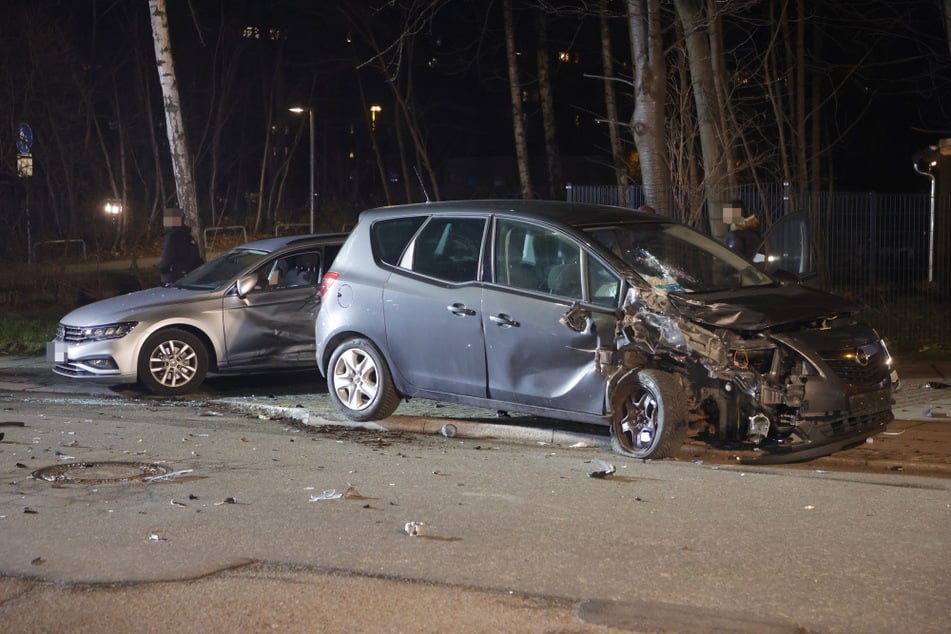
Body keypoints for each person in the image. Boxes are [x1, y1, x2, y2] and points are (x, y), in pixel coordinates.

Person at [159, 209, 203, 286]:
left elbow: (167, 258)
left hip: (174, 277)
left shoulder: (172, 237)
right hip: (190, 275)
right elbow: (196, 258)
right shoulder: (188, 236)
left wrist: (162, 268)